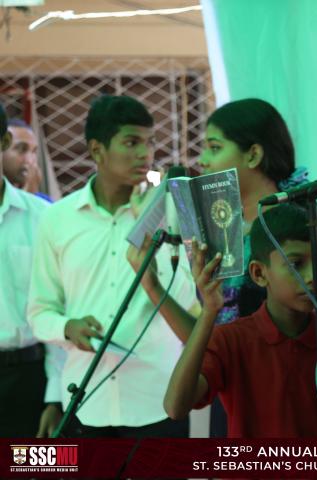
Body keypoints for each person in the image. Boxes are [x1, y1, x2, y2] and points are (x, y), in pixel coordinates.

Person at [126, 98, 317, 436]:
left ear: (253, 154)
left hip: (291, 400)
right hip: (233, 399)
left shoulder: (293, 230)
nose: (203, 160)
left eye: (215, 147)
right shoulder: (217, 231)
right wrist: (153, 288)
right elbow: (209, 339)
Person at [28, 95, 197, 437]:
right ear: (96, 150)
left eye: (150, 143)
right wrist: (67, 327)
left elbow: (183, 298)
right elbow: (39, 311)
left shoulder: (172, 213)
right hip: (87, 400)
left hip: (158, 398)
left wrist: (146, 221)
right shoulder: (57, 219)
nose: (145, 154)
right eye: (131, 142)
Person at [163, 203, 317, 437]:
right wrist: (210, 311)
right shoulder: (232, 341)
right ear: (259, 274)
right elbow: (175, 407)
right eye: (295, 264)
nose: (313, 277)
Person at [0, 102, 63, 438]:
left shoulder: (43, 217)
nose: (28, 158)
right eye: (21, 149)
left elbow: (56, 306)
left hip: (27, 377)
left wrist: (55, 395)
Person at [4, 118, 51, 201]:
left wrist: (31, 196)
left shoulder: (44, 202)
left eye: (34, 151)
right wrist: (28, 196)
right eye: (22, 149)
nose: (30, 160)